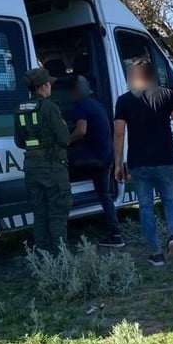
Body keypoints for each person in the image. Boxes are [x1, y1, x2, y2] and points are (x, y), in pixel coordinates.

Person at [113, 58, 173, 267]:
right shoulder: (167, 95)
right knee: (170, 200)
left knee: (146, 206)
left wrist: (117, 163)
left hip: (139, 162)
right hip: (165, 159)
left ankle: (156, 252)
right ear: (152, 76)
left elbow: (119, 133)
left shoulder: (123, 101)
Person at [14, 67, 72, 253]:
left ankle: (43, 258)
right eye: (49, 85)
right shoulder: (49, 107)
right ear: (44, 86)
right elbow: (65, 139)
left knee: (39, 215)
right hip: (52, 167)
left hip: (31, 167)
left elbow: (19, 141)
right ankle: (60, 260)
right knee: (57, 214)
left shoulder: (21, 109)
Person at [67, 75, 125, 248]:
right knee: (104, 195)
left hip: (91, 158)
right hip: (105, 156)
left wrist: (64, 143)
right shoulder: (97, 104)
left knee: (61, 165)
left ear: (77, 92)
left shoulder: (81, 106)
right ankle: (115, 235)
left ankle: (62, 224)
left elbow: (81, 131)